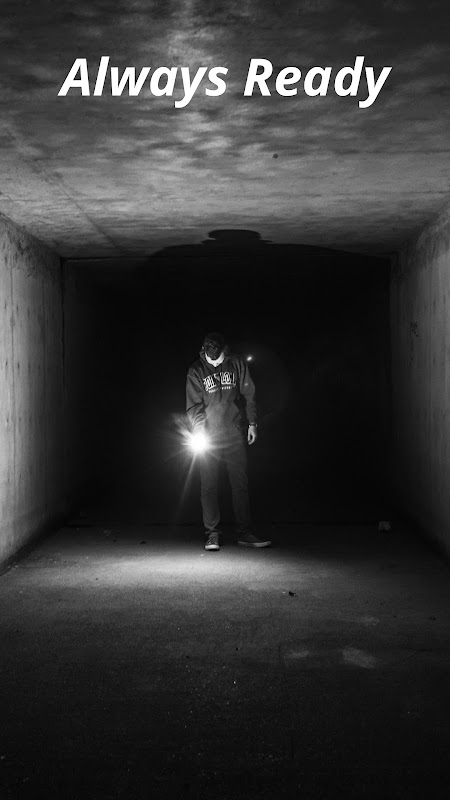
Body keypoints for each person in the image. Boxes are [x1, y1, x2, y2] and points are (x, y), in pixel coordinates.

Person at [186, 332, 271, 551]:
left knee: (239, 484)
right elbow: (194, 406)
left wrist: (252, 423)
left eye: (219, 358)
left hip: (234, 431)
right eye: (210, 358)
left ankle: (245, 532)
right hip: (209, 436)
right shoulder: (196, 370)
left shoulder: (237, 363)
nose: (215, 361)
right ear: (204, 351)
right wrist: (199, 433)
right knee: (208, 485)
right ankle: (212, 534)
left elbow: (249, 393)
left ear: (225, 350)